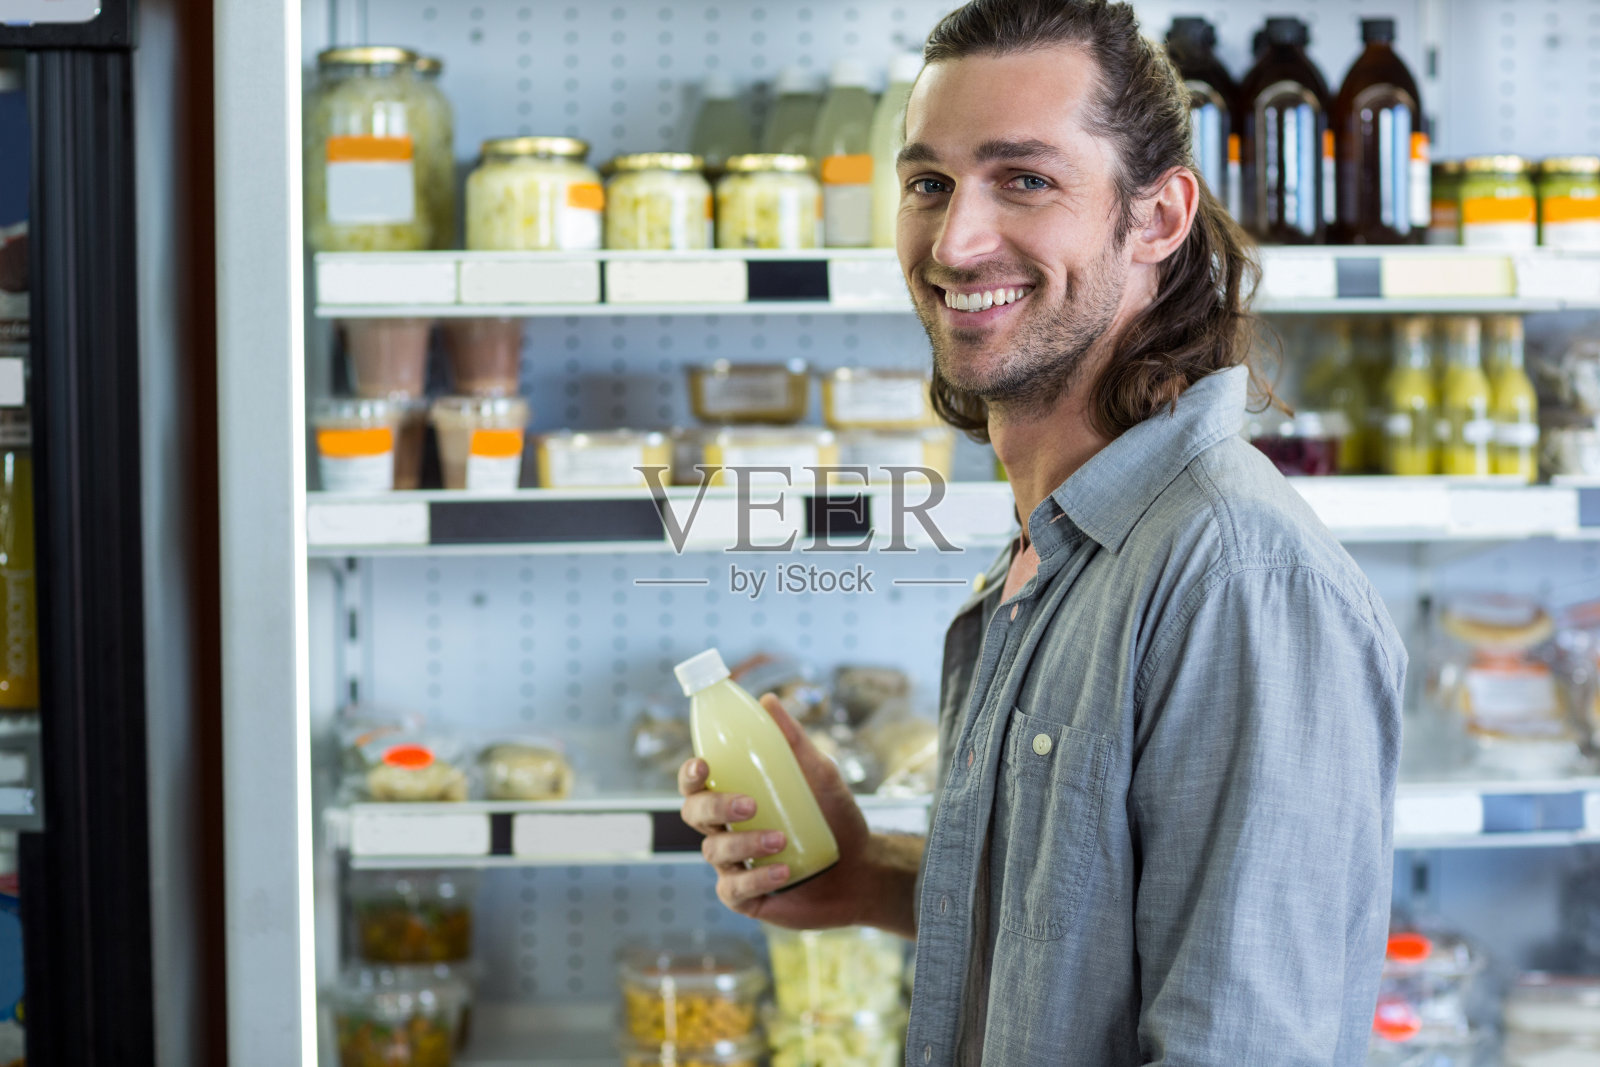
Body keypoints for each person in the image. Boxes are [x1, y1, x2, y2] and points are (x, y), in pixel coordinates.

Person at [678, 1, 1404, 1063]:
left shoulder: (1235, 576)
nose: (956, 241)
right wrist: (868, 874)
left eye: (1025, 179)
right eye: (930, 183)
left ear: (1156, 218)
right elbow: (1090, 932)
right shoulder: (1057, 549)